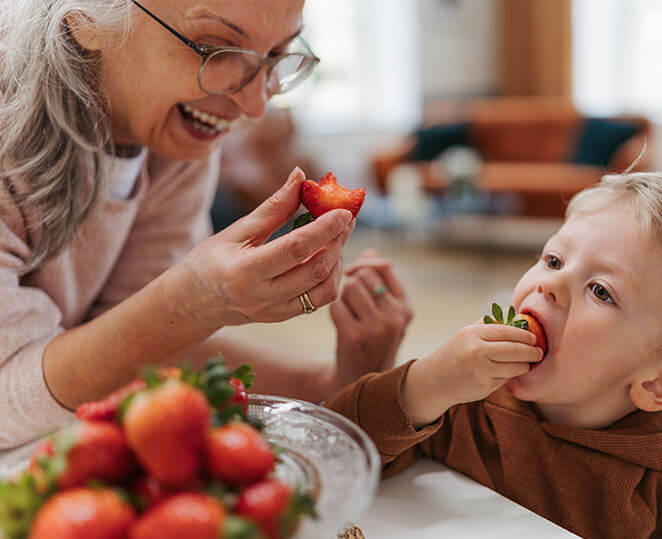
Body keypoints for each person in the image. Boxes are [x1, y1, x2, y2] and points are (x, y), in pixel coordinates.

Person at [326, 171, 662, 539]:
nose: (549, 286)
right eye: (554, 261)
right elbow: (335, 455)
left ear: (660, 383)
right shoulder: (465, 395)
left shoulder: (661, 493)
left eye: (600, 291)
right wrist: (427, 385)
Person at [0, 0, 412, 449]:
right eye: (213, 48)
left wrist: (336, 382)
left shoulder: (177, 137)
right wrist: (189, 304)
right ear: (84, 18)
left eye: (276, 55)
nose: (254, 106)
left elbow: (136, 347)